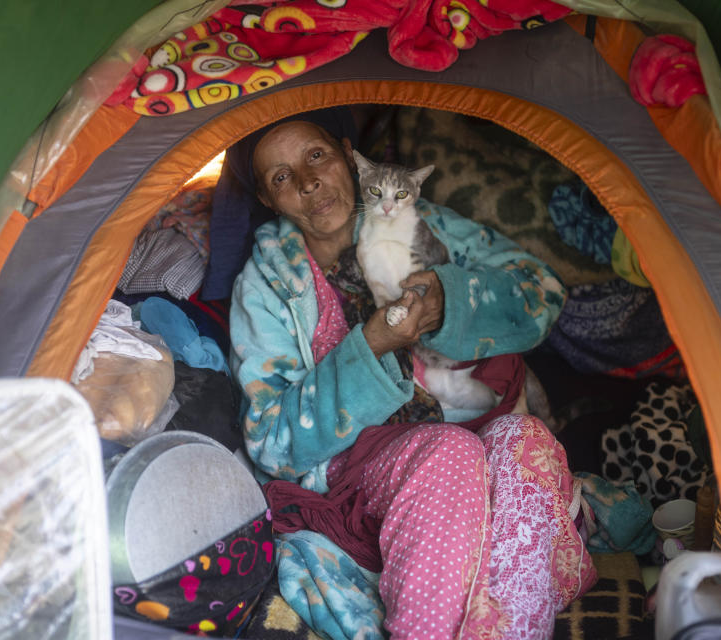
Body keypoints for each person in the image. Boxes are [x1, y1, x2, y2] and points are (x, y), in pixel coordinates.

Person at [229, 109, 596, 640]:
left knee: (524, 439)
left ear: (347, 156)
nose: (309, 182)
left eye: (316, 156)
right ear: (268, 200)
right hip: (363, 474)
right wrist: (372, 345)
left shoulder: (416, 222)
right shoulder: (266, 286)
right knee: (447, 452)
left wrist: (452, 301)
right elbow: (269, 441)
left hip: (474, 425)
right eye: (283, 177)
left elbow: (541, 290)